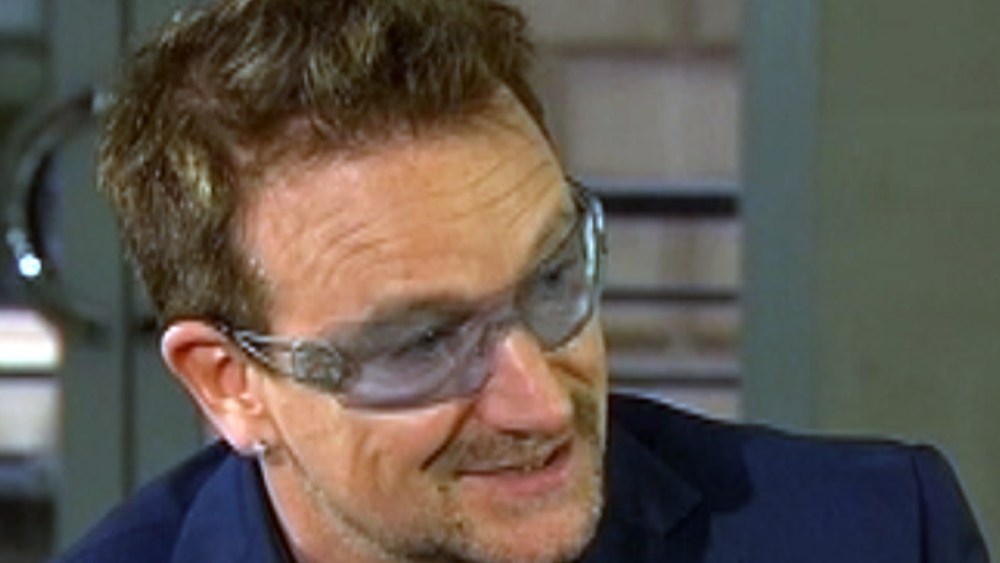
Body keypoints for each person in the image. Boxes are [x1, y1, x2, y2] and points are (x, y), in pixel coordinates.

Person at [54, 0, 989, 562]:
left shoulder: (871, 534)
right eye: (423, 341)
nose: (541, 402)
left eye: (551, 280)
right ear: (231, 382)